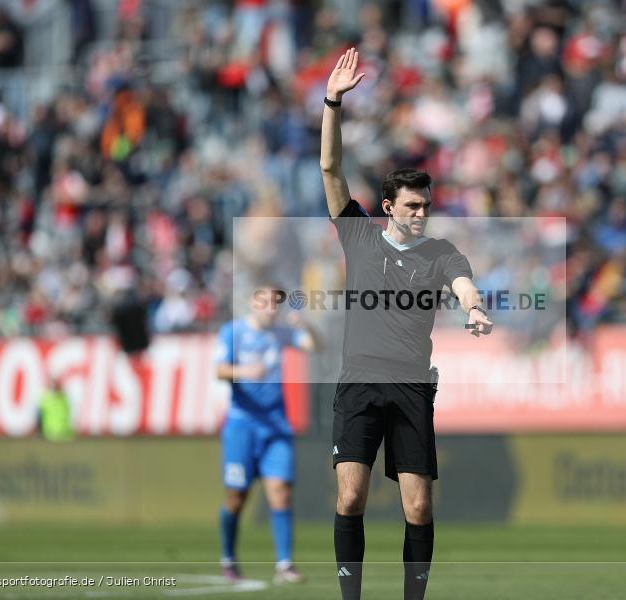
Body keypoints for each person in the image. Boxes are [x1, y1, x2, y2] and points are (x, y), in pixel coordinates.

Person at [320, 48, 493, 600]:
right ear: (390, 205)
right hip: (359, 380)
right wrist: (332, 103)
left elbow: (463, 282)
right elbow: (330, 168)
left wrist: (473, 308)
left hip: (413, 385)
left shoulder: (441, 252)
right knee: (350, 497)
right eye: (412, 206)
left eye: (426, 206)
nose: (421, 214)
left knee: (417, 505)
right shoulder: (361, 237)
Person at [214, 283, 320, 584]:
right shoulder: (232, 332)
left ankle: (284, 564)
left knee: (281, 494)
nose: (271, 307)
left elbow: (316, 345)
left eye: (276, 302)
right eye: (265, 300)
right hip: (241, 427)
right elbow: (219, 370)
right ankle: (228, 557)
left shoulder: (282, 334)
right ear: (252, 301)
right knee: (236, 497)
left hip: (276, 426)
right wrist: (245, 372)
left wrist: (308, 324)